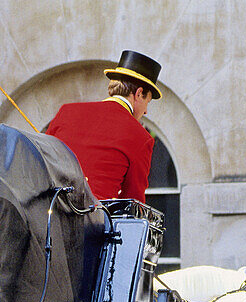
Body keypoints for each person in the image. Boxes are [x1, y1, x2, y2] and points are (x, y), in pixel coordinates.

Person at [44, 50, 161, 202]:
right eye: (147, 102)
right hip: (94, 220)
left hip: (50, 213)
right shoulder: (141, 137)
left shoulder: (67, 111)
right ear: (138, 94)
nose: (145, 111)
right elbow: (133, 200)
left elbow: (43, 162)